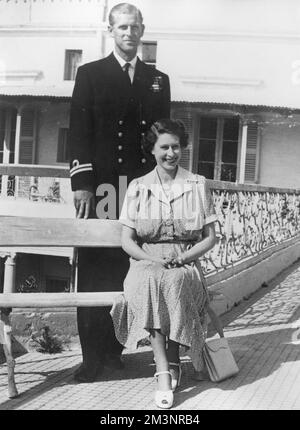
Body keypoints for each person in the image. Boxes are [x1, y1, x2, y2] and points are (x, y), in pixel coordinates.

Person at [68, 3, 170, 382]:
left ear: (142, 30)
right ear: (111, 30)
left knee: (132, 270)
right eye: (122, 27)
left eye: (134, 27)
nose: (129, 33)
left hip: (141, 190)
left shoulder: (157, 79)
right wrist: (82, 185)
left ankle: (115, 352)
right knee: (96, 269)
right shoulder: (90, 74)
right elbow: (79, 131)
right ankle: (92, 358)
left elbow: (163, 138)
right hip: (103, 187)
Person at [110, 119, 218, 409]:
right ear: (152, 150)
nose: (171, 153)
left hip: (185, 259)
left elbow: (210, 238)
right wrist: (151, 258)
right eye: (164, 147)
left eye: (176, 147)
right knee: (149, 281)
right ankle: (163, 370)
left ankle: (173, 359)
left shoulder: (196, 184)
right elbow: (128, 240)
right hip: (147, 261)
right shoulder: (137, 187)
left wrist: (184, 257)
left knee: (174, 281)